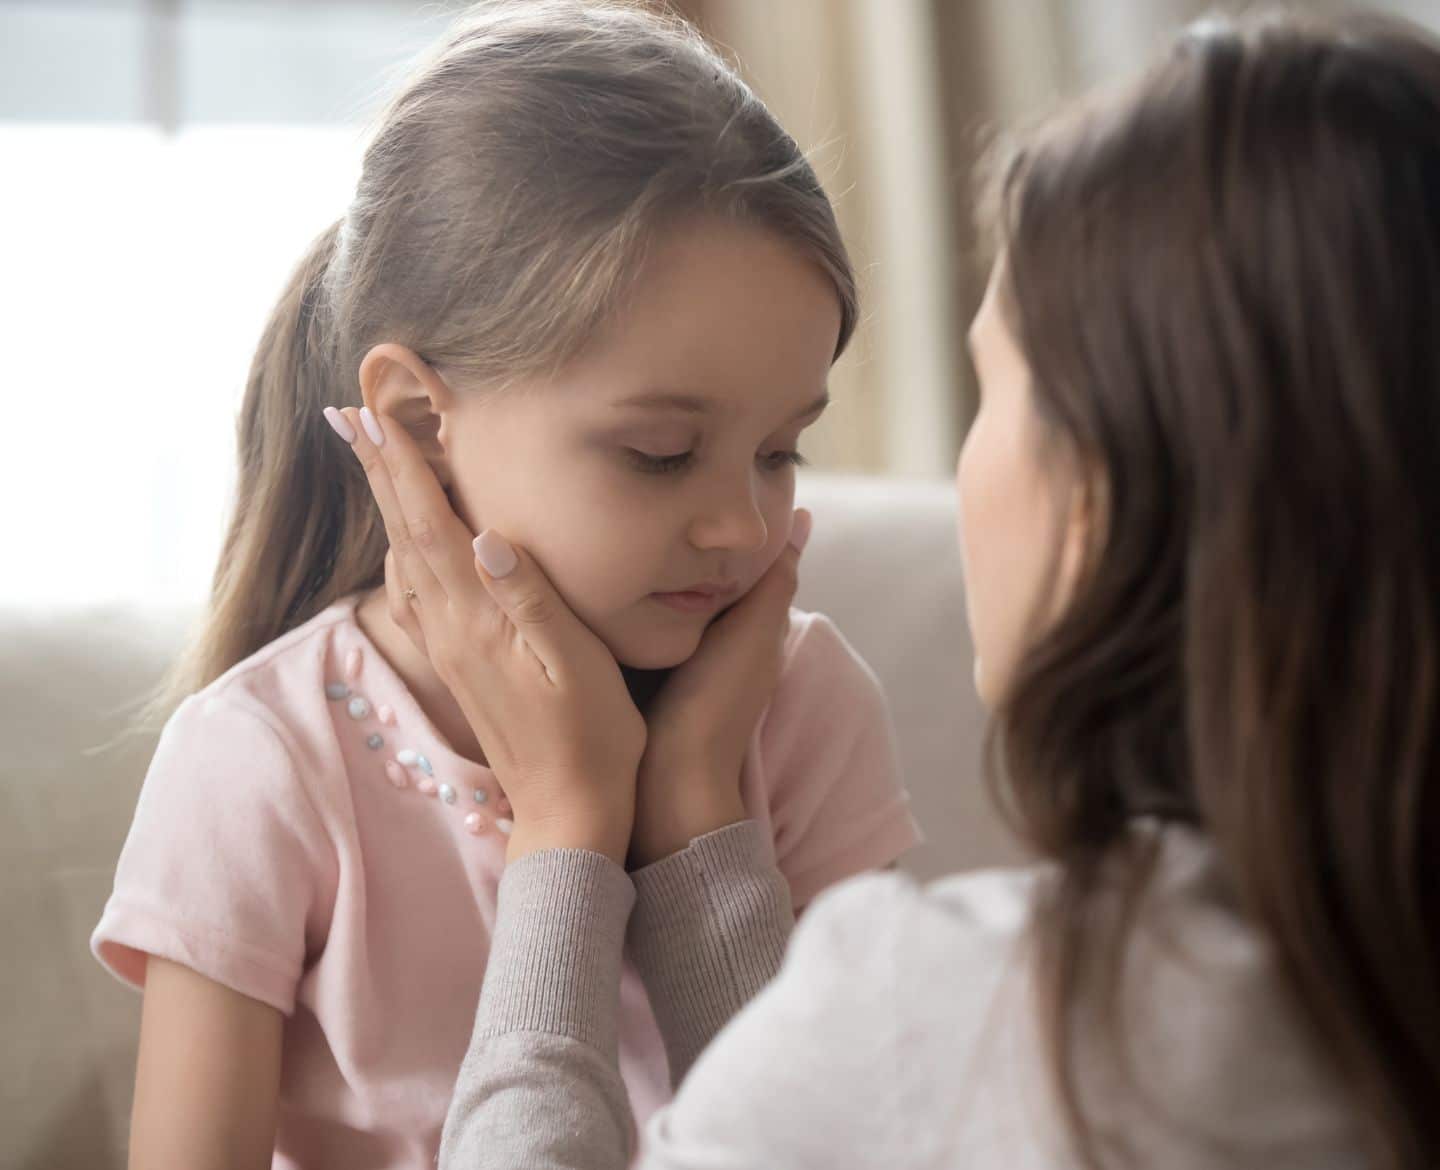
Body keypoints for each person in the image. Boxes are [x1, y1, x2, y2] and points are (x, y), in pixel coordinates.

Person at [353, 9, 1436, 1169]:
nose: (744, 525)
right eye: (665, 452)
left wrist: (569, 825)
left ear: (1106, 491)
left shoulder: (973, 1020)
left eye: (995, 394)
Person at [89, 2, 920, 1164]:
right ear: (422, 421)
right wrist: (577, 821)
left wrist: (698, 812)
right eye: (660, 455)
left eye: (781, 451)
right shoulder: (263, 764)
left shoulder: (800, 711)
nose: (742, 523)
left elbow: (849, 1148)